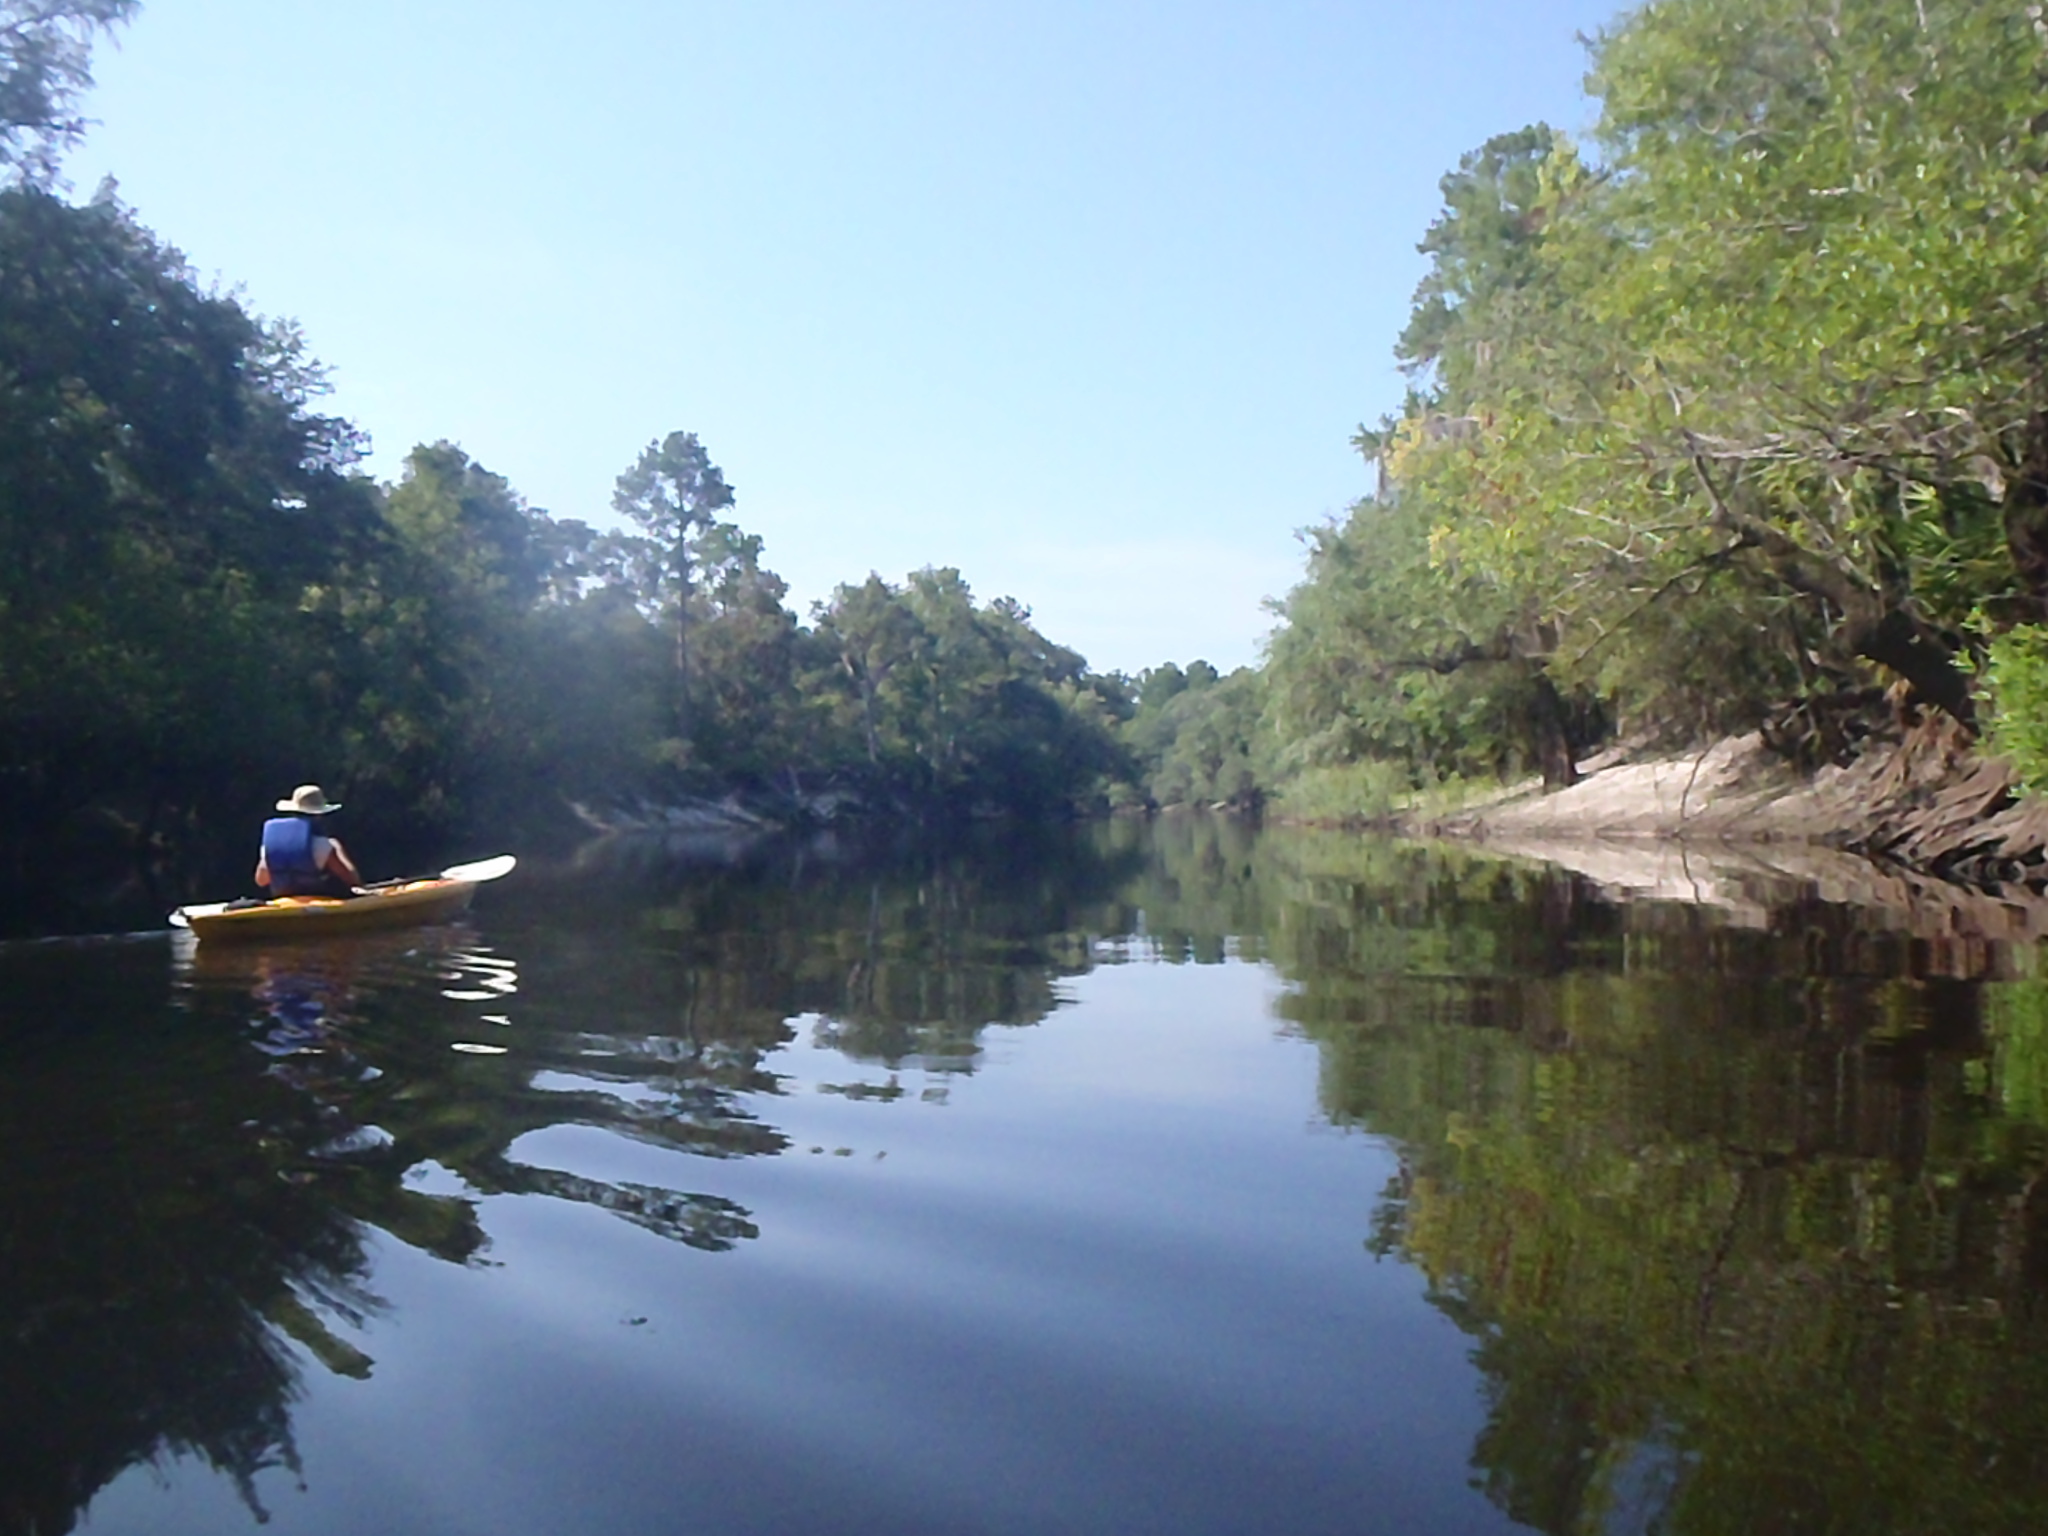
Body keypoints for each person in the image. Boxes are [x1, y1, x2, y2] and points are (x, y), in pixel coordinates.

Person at [255, 784, 363, 897]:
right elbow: (351, 879)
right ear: (319, 815)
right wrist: (338, 848)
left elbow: (261, 881)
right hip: (320, 900)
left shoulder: (270, 846)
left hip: (285, 901)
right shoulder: (323, 845)